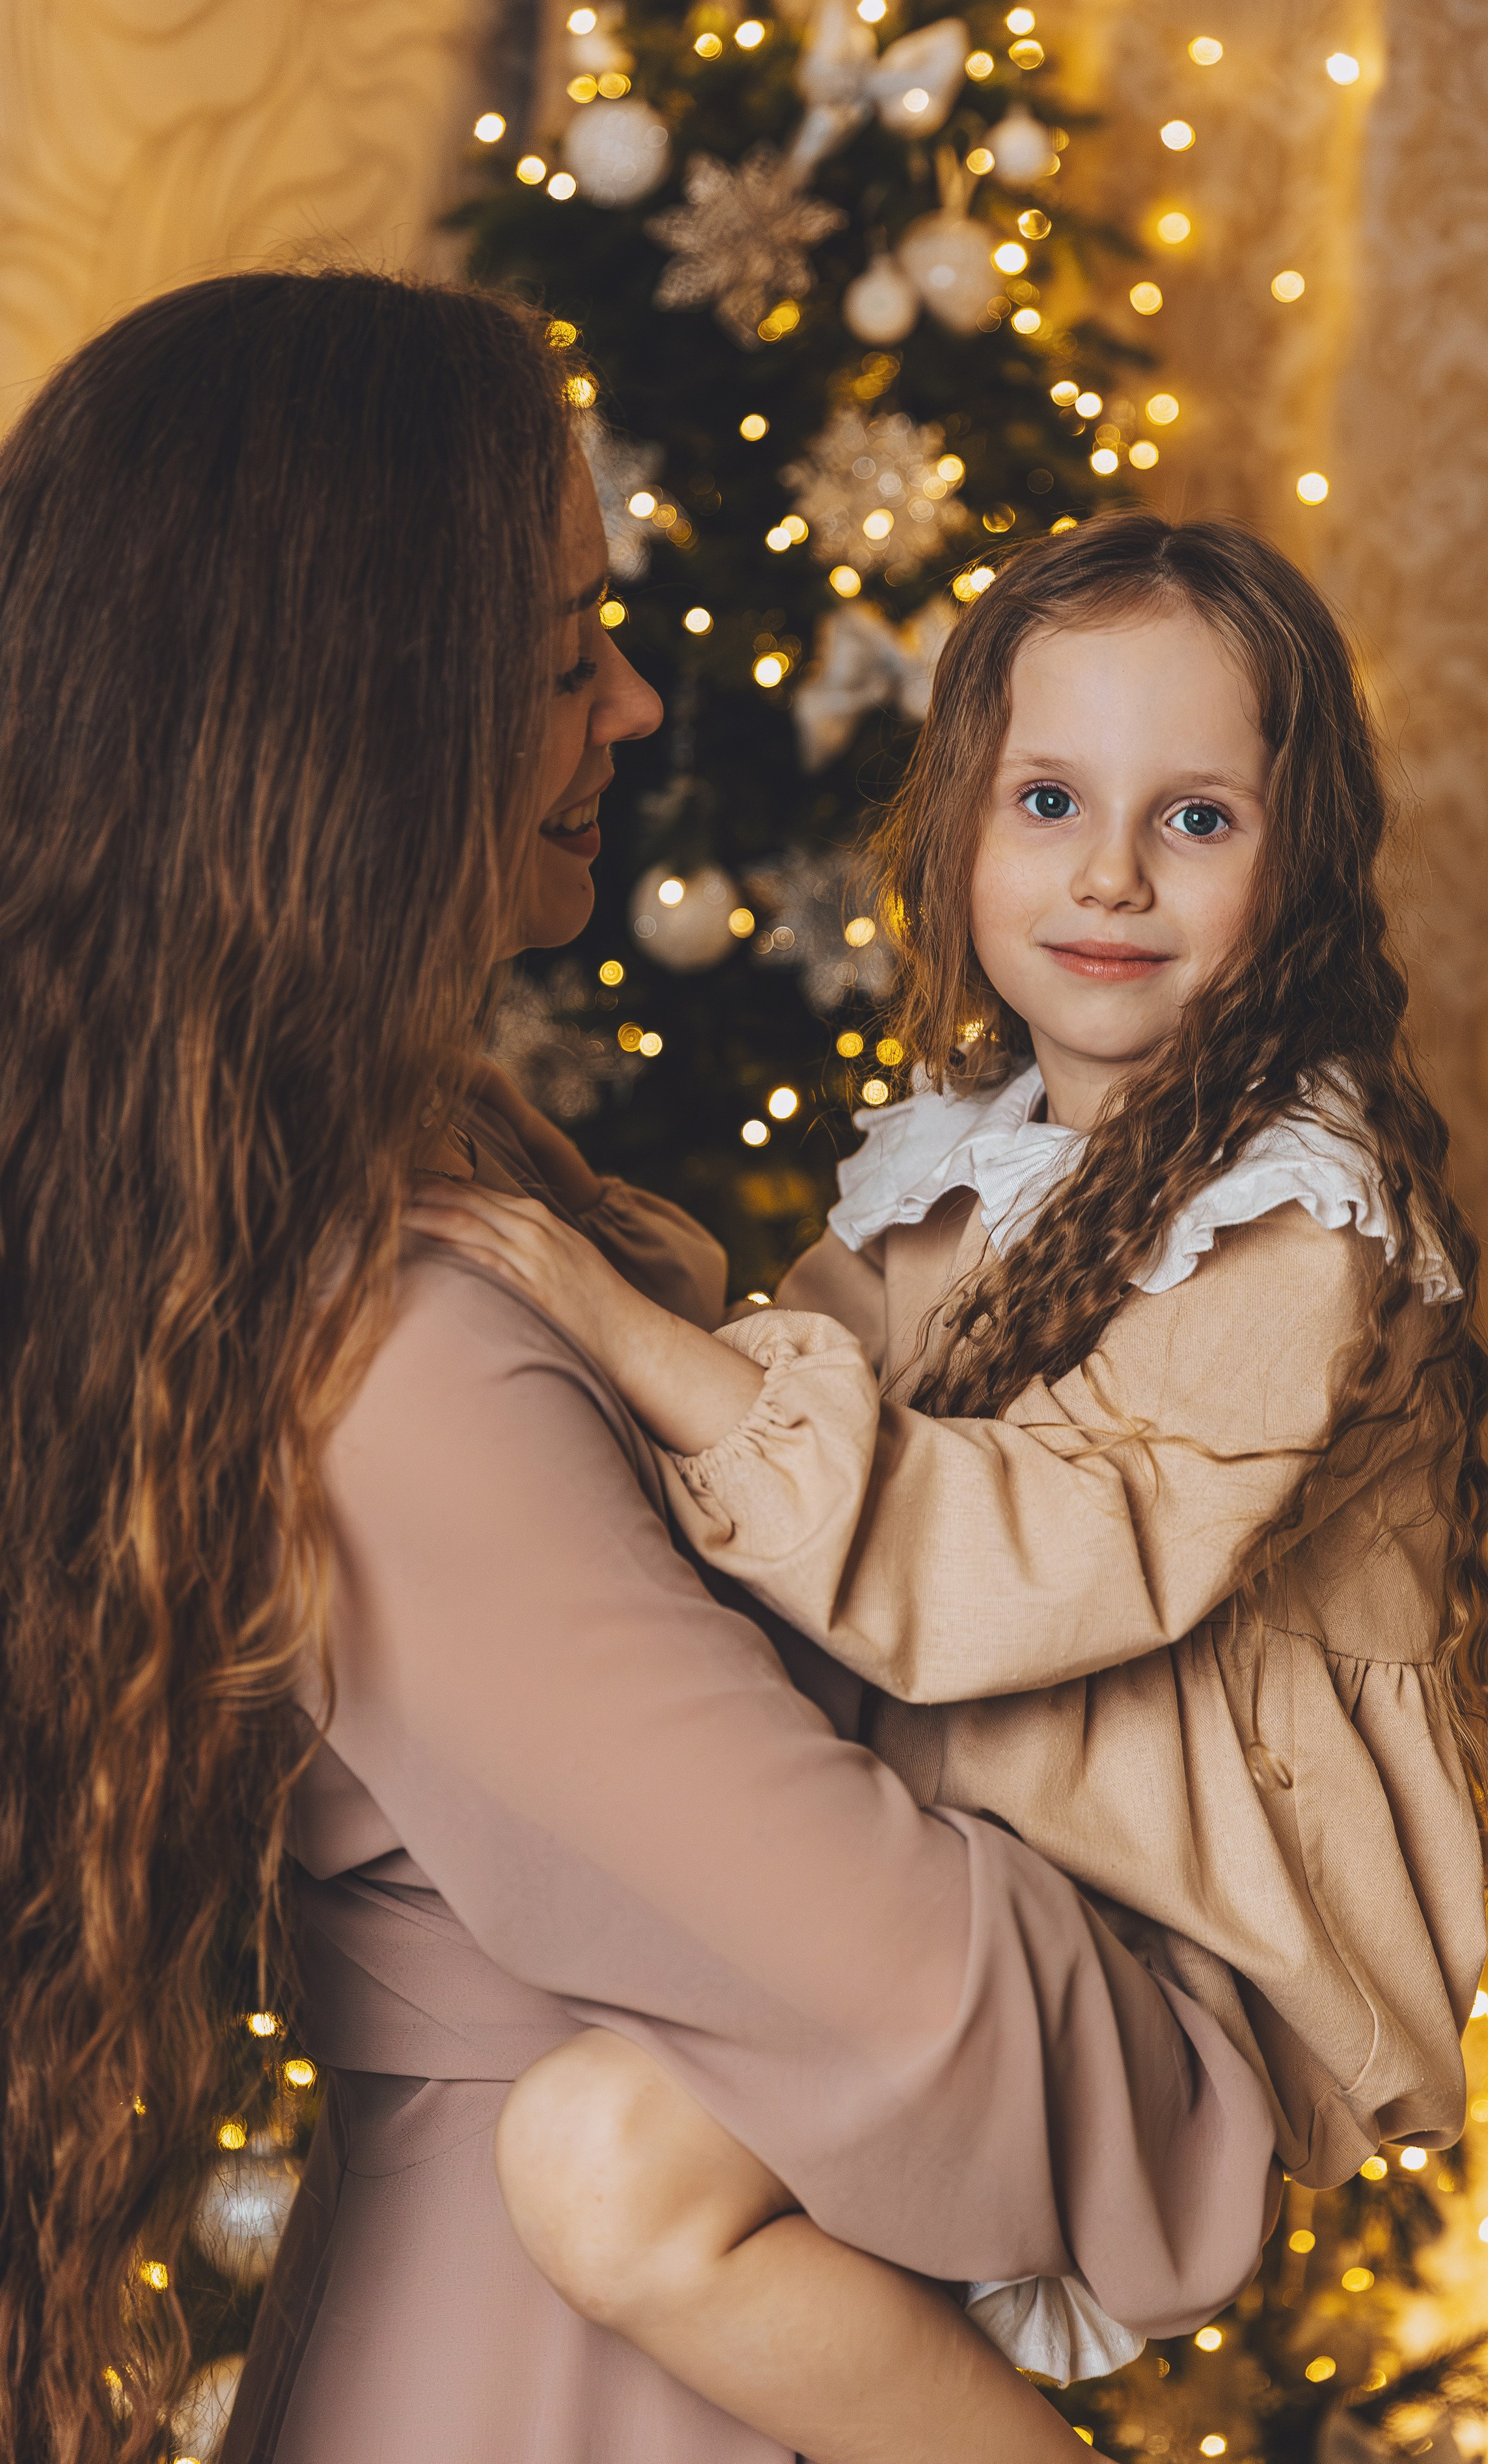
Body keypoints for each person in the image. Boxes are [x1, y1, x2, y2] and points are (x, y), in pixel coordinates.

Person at [0, 277, 1278, 2464]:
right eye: (559, 652)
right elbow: (919, 2017)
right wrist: (1237, 2017)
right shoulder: (402, 1362)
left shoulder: (421, 1207)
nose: (636, 702)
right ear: (356, 728)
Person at [410, 513, 1488, 2411]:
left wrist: (593, 1311)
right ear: (957, 832)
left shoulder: (1296, 1220)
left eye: (1196, 819)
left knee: (606, 2165)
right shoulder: (964, 1159)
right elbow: (774, 1398)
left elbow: (1035, 1562)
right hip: (978, 1888)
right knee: (590, 2125)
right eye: (1048, 800)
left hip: (1189, 1959)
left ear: (1304, 861)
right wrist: (502, 1166)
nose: (1110, 873)